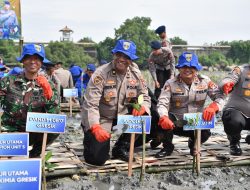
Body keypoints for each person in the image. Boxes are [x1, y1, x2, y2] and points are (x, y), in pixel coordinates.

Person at [81, 39, 151, 166]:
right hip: (102, 119)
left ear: (131, 60)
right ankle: (90, 138)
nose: (121, 59)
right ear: (114, 55)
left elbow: (145, 95)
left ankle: (121, 147)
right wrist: (95, 126)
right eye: (119, 55)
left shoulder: (136, 73)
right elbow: (90, 103)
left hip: (121, 123)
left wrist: (143, 106)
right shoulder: (101, 74)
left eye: (126, 57)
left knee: (147, 117)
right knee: (97, 159)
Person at [155, 52, 225, 158]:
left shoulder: (205, 81)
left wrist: (214, 106)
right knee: (160, 120)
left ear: (196, 68)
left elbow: (220, 96)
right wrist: (164, 116)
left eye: (191, 66)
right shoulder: (170, 83)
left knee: (206, 133)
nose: (187, 69)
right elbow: (162, 103)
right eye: (184, 66)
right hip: (176, 123)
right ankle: (167, 147)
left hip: (196, 123)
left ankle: (193, 144)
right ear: (179, 68)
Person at [0, 44, 60, 157]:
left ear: (41, 62)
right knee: (12, 160)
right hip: (10, 130)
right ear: (23, 61)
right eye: (29, 58)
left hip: (34, 132)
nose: (33, 61)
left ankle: (35, 154)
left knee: (55, 128)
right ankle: (14, 153)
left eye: (37, 58)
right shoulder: (8, 81)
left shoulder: (48, 85)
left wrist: (49, 94)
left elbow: (55, 114)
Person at [219, 64, 250, 156]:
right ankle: (234, 141)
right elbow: (227, 79)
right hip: (237, 111)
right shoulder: (240, 70)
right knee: (232, 120)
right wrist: (227, 84)